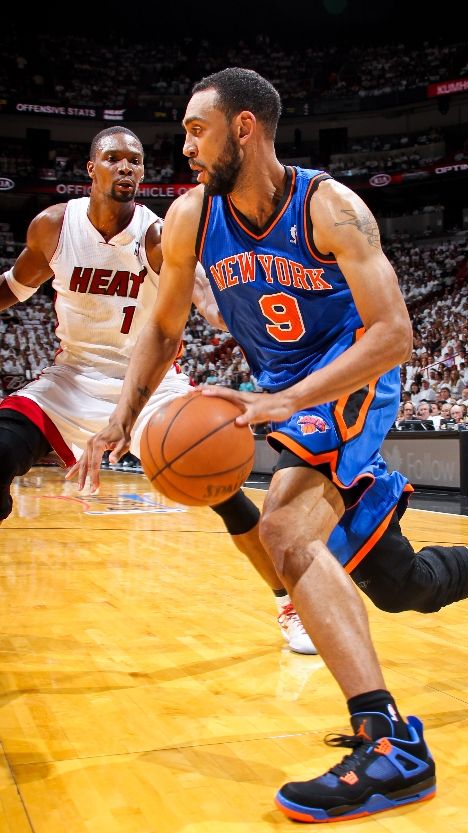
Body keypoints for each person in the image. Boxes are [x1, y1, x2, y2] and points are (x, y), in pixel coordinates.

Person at [76, 71, 468, 824]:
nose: (182, 146)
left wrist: (284, 401)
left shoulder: (331, 207)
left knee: (284, 531)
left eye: (195, 129)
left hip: (352, 374)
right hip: (287, 391)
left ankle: (389, 744)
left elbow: (394, 334)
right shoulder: (190, 218)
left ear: (243, 128)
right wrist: (123, 414)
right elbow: (161, 323)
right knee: (397, 581)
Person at [0, 125, 315, 657]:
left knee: (224, 490)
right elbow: (12, 287)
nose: (127, 168)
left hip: (148, 384)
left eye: (136, 161)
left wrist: (230, 314)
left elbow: (201, 295)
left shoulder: (156, 236)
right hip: (72, 378)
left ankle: (291, 602)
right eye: (115, 159)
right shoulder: (53, 227)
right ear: (91, 169)